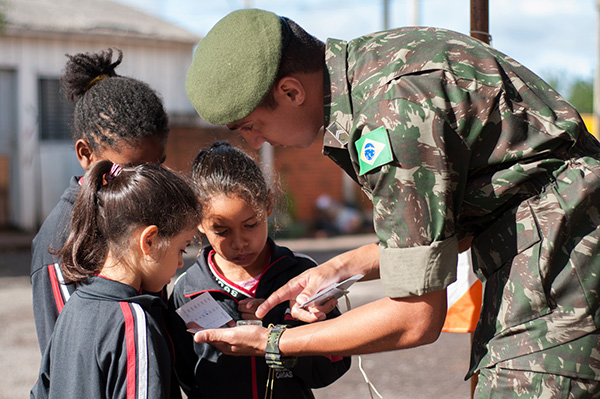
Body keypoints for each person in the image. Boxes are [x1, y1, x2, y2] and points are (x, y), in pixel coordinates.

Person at [183, 8, 600, 397]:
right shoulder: (376, 66)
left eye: (251, 125)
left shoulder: (389, 117)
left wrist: (274, 341)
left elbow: (416, 318)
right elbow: (451, 223)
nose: (253, 142)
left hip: (564, 259)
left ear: (291, 92)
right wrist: (342, 268)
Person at [167, 141, 350, 399]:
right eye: (221, 231)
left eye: (250, 225)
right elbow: (185, 374)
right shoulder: (188, 290)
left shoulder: (300, 275)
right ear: (198, 221)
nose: (239, 242)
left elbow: (334, 363)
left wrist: (281, 336)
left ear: (268, 205)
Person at [30, 48, 169, 353]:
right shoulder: (59, 241)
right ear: (85, 154)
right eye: (129, 170)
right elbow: (66, 360)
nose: (145, 183)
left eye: (155, 168)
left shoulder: (144, 215)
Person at [31, 160, 200, 399]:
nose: (181, 263)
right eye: (181, 249)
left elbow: (41, 391)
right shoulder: (133, 323)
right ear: (149, 241)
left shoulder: (74, 308)